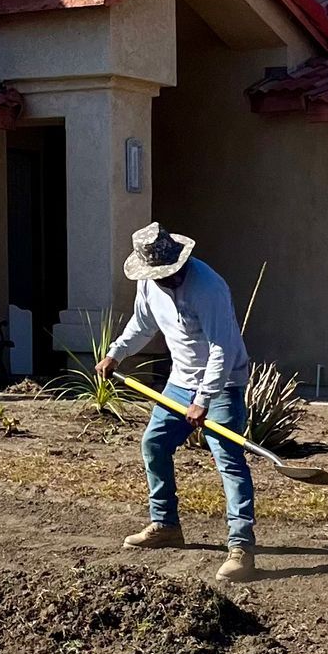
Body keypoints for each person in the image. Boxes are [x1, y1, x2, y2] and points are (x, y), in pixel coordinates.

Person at [97, 222, 256, 582]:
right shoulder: (149, 283)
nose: (167, 279)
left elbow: (223, 349)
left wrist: (204, 398)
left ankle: (241, 548)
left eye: (171, 272)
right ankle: (166, 524)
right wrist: (116, 354)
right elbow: (142, 323)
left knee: (228, 459)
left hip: (223, 382)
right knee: (154, 444)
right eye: (160, 275)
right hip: (180, 382)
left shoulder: (208, 287)